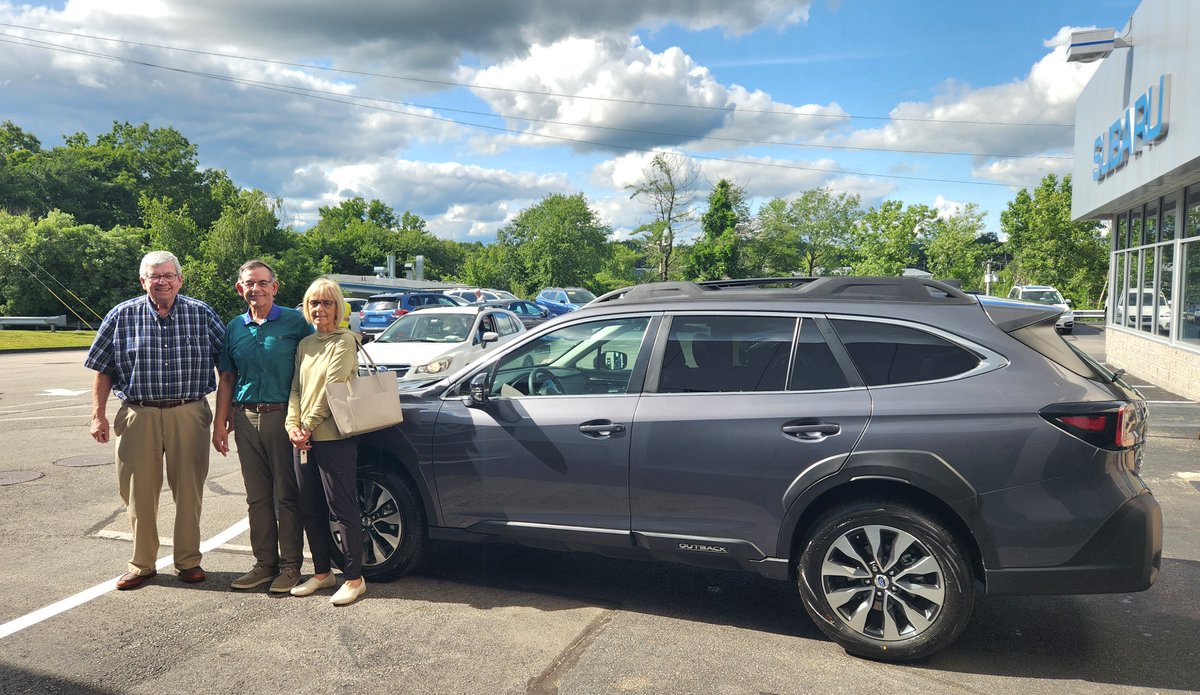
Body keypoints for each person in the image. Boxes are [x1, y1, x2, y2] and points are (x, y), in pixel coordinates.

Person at [86, 250, 225, 590]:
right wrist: (97, 415)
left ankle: (188, 561)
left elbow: (228, 366)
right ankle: (142, 564)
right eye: (154, 275)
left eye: (168, 275)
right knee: (138, 493)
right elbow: (103, 369)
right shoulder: (121, 316)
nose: (161, 281)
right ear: (143, 281)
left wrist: (223, 418)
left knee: (189, 491)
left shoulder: (201, 314)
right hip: (138, 413)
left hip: (189, 412)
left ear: (180, 279)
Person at [212, 260, 313, 593]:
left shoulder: (295, 322)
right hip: (245, 418)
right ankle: (264, 564)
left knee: (286, 495)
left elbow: (312, 369)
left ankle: (290, 566)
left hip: (283, 417)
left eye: (261, 283)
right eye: (248, 284)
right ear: (240, 289)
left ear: (275, 286)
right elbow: (227, 377)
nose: (255, 289)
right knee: (257, 497)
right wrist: (220, 422)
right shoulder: (235, 327)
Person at [285, 278, 367, 606]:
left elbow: (331, 389)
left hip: (334, 438)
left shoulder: (345, 341)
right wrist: (292, 424)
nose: (320, 309)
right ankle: (322, 573)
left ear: (338, 307)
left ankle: (354, 578)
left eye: (327, 303)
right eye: (314, 303)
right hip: (303, 439)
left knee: (342, 508)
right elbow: (296, 389)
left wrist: (304, 425)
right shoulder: (305, 345)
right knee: (309, 507)